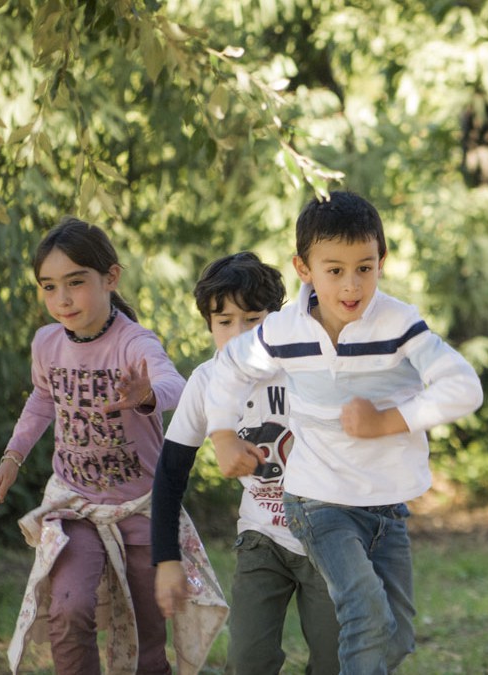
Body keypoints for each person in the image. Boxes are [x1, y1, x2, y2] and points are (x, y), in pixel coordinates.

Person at [203, 191, 485, 674]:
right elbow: (229, 367)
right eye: (334, 270)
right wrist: (223, 435)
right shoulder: (284, 330)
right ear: (304, 268)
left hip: (387, 507)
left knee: (394, 637)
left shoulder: (399, 323)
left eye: (365, 267)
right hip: (318, 502)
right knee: (366, 614)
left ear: (382, 261)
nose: (351, 285)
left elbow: (464, 388)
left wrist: (386, 422)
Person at [0, 217, 191, 674]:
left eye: (75, 283)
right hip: (75, 504)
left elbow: (176, 385)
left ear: (110, 277)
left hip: (139, 508)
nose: (62, 299)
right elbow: (41, 399)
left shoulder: (135, 342)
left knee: (148, 630)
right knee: (68, 608)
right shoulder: (47, 343)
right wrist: (11, 460)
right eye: (49, 287)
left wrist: (146, 395)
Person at [151, 251, 340, 674]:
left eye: (253, 320)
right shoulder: (205, 381)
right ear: (209, 325)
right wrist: (166, 560)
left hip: (329, 536)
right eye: (225, 322)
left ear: (276, 320)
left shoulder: (305, 367)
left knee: (337, 661)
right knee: (248, 661)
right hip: (262, 538)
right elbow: (169, 474)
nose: (239, 335)